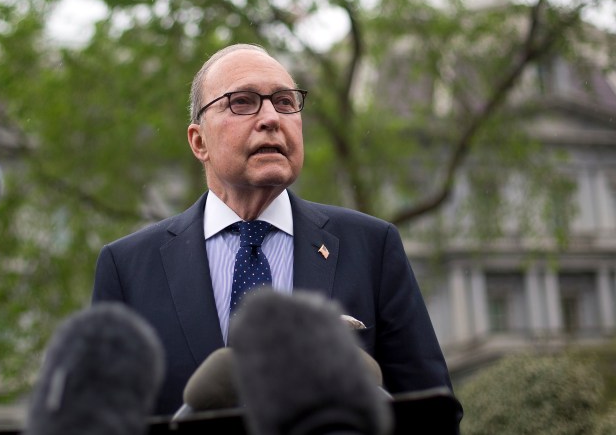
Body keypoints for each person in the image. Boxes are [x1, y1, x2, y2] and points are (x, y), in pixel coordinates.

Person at [92, 43, 458, 419]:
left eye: (284, 102)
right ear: (199, 141)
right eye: (243, 102)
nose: (271, 118)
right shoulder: (128, 268)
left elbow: (432, 413)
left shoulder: (371, 246)